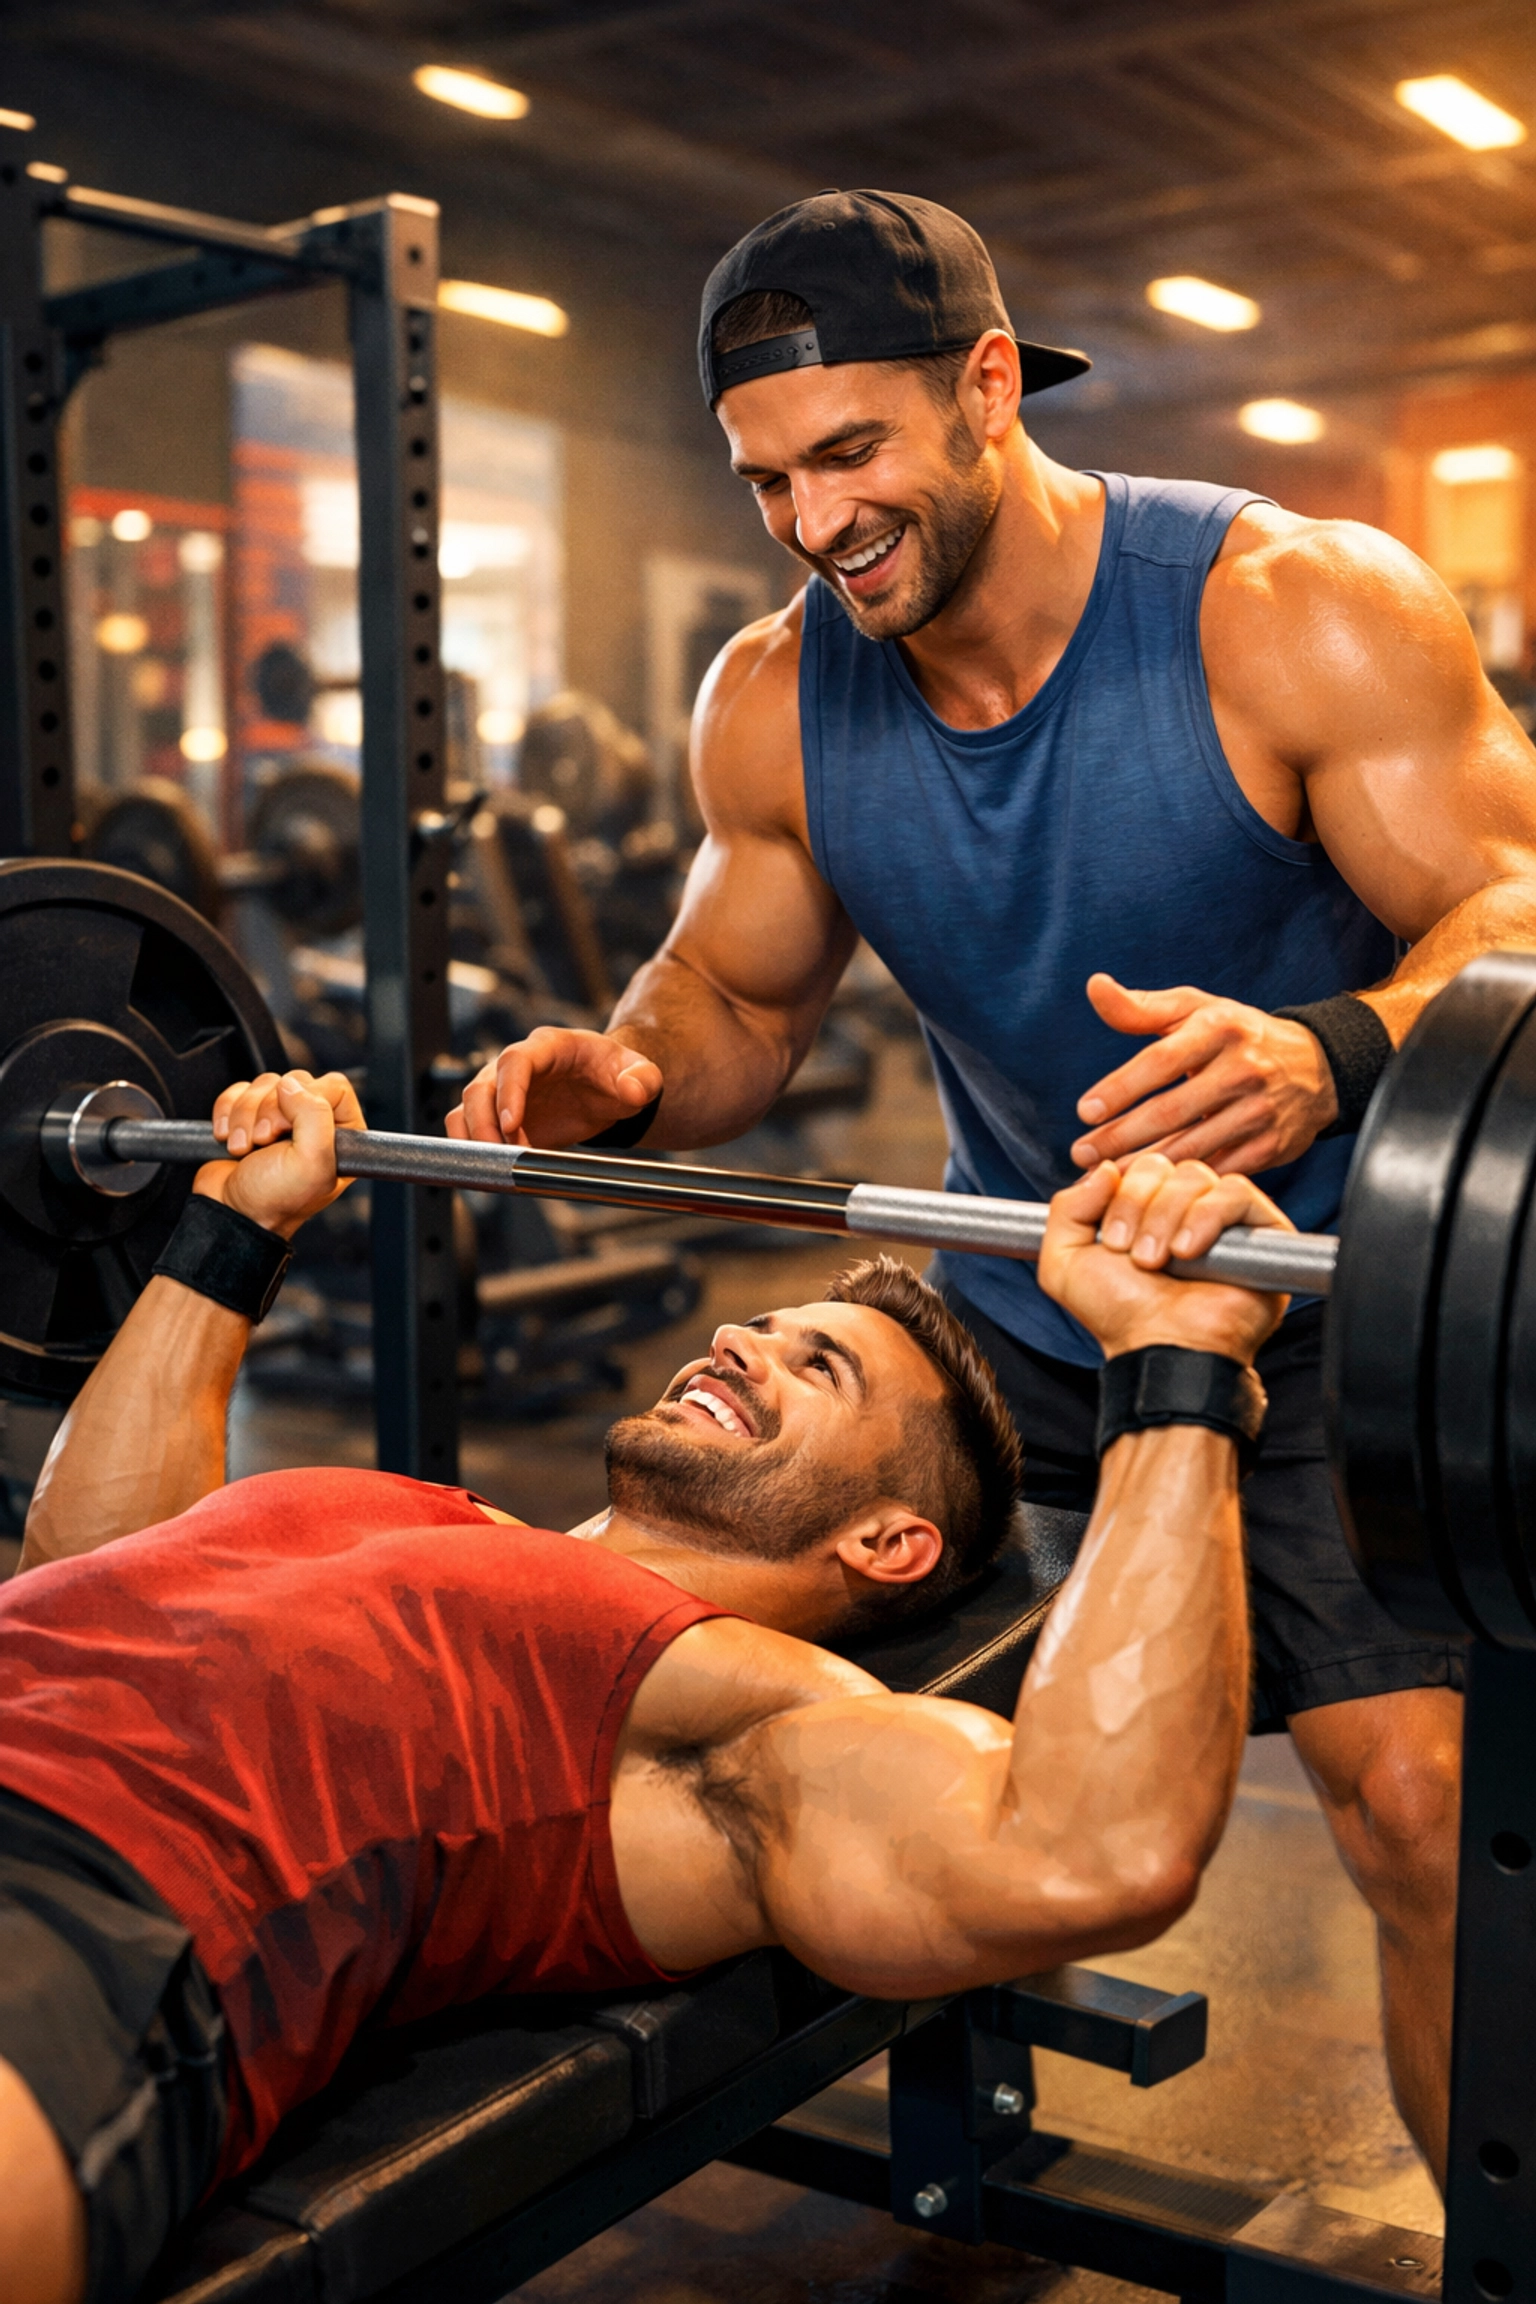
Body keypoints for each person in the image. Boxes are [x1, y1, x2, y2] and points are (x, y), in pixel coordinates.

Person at [447, 190, 1536, 2183]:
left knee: (1422, 1813)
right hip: (1008, 1295)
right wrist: (628, 1074)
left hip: (1320, 1296)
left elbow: (1513, 905)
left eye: (849, 455)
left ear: (986, 387)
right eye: (767, 477)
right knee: (626, 1629)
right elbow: (732, 1008)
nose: (809, 521)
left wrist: (1329, 1046)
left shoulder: (1283, 602)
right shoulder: (774, 691)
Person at [1, 1068, 1287, 2304]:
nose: (738, 1339)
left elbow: (1087, 1853)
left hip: (91, 1914)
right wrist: (234, 1227)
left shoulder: (736, 1707)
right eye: (762, 1326)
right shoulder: (408, 1506)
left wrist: (1177, 1368)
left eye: (819, 1366)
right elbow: (91, 1564)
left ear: (887, 1542)